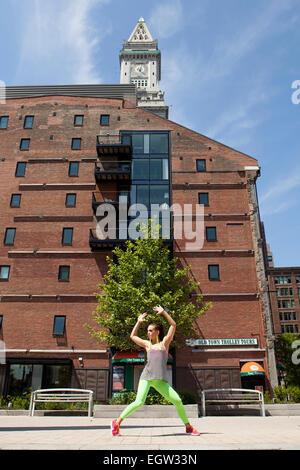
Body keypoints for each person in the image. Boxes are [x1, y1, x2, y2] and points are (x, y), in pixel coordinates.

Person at [111, 305, 200, 436]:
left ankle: (188, 427)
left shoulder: (164, 343)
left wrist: (164, 312)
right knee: (139, 402)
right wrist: (138, 322)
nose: (148, 333)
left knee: (177, 401)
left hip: (160, 381)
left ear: (157, 332)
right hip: (146, 378)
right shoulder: (148, 345)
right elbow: (132, 336)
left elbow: (173, 325)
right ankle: (117, 422)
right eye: (147, 330)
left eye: (151, 330)